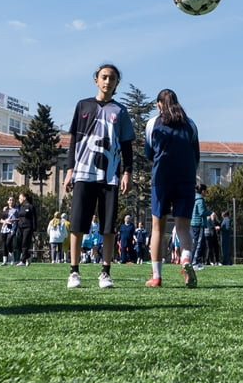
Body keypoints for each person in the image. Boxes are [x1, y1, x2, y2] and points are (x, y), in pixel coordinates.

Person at [62, 63, 134, 289]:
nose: (107, 82)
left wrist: (127, 172)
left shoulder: (120, 111)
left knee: (108, 226)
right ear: (96, 80)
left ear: (116, 83)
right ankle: (74, 272)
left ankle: (105, 272)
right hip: (83, 172)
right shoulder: (83, 105)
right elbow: (73, 140)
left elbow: (126, 145)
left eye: (112, 78)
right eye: (104, 77)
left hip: (109, 175)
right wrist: (70, 169)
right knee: (77, 224)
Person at [142, 88, 200, 288]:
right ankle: (185, 259)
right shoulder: (190, 124)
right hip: (186, 179)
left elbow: (149, 152)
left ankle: (157, 276)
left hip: (162, 178)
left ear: (159, 104)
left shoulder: (152, 123)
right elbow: (196, 154)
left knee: (158, 228)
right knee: (183, 227)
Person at [14, 191, 37, 266]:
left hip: (28, 227)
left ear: (24, 198)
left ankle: (23, 261)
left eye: (20, 198)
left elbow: (34, 218)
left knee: (25, 243)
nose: (19, 199)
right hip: (20, 227)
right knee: (18, 243)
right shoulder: (20, 207)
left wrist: (34, 229)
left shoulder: (31, 207)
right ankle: (28, 256)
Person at [190, 183, 209, 270]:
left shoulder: (194, 198)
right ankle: (194, 263)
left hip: (194, 223)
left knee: (198, 243)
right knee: (198, 244)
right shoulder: (200, 200)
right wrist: (211, 213)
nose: (206, 193)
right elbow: (201, 212)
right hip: (199, 224)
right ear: (202, 191)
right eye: (205, 191)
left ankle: (196, 262)